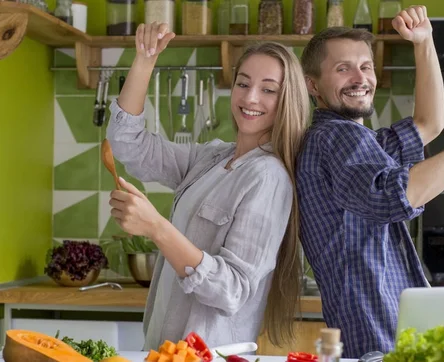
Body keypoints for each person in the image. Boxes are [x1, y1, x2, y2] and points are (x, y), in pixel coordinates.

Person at [296, 5, 444, 358]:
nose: (360, 78)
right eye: (343, 69)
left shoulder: (362, 144)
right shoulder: (336, 138)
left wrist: (424, 41)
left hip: (384, 336)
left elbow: (430, 123)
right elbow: (395, 195)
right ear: (313, 84)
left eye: (366, 66)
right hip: (379, 339)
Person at [105, 22, 310, 351]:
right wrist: (145, 60)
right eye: (243, 83)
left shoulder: (268, 177)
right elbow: (128, 144)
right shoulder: (211, 158)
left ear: (288, 99)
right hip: (165, 350)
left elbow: (232, 290)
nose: (251, 97)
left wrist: (156, 227)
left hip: (208, 354)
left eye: (269, 89)